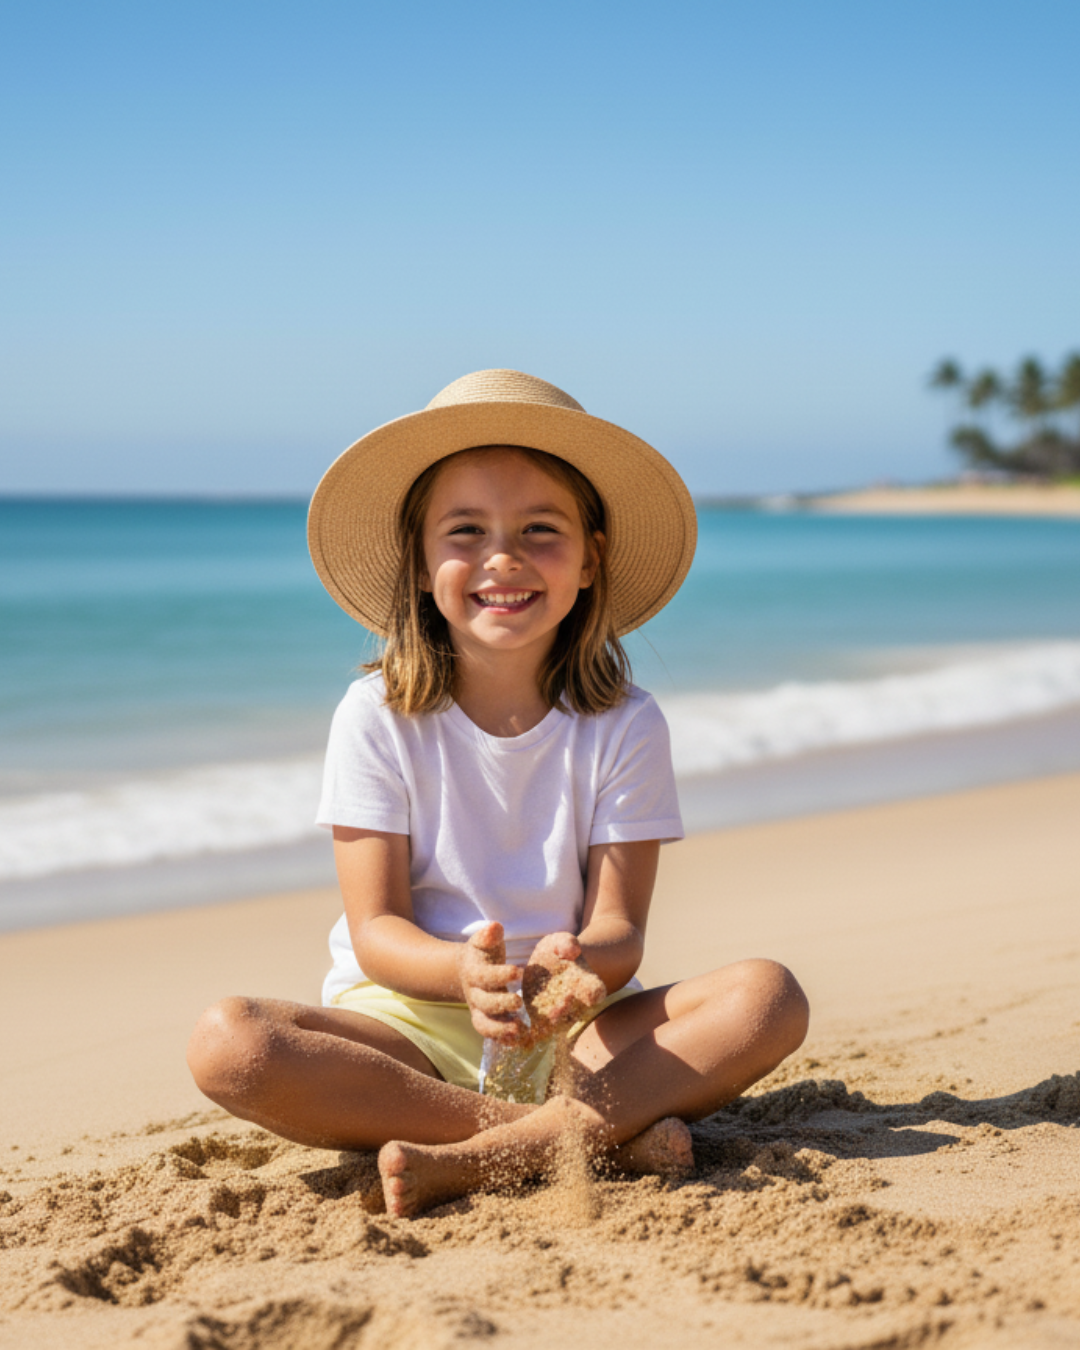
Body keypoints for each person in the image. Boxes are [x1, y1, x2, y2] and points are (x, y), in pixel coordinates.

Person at [187, 369, 809, 1218]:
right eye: (467, 530)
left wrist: (580, 965)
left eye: (539, 530)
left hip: (580, 1030)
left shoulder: (625, 723)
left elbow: (620, 928)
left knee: (767, 997)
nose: (503, 557)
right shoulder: (376, 716)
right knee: (233, 1044)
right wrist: (462, 974)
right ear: (419, 562)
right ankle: (572, 1138)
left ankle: (482, 1158)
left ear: (591, 559)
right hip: (412, 1029)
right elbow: (376, 933)